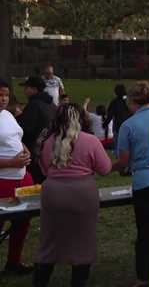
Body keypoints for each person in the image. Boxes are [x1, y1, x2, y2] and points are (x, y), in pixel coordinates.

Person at [34, 103, 112, 287]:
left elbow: (45, 170)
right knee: (83, 240)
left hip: (53, 193)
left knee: (49, 239)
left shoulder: (48, 142)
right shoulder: (90, 141)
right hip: (82, 194)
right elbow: (105, 169)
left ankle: (40, 280)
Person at [112, 81, 149, 287]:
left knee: (145, 233)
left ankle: (143, 276)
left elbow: (123, 161)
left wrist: (110, 167)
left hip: (143, 182)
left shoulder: (128, 125)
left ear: (131, 101)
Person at [0, 79, 34, 276]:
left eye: (5, 95)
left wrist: (26, 151)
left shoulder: (7, 115)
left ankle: (13, 262)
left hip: (22, 177)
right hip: (3, 180)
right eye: (0, 95)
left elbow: (17, 138)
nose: (3, 99)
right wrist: (11, 163)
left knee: (23, 221)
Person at [17, 76, 55, 184]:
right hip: (49, 149)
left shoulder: (34, 104)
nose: (24, 90)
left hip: (35, 151)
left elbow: (27, 129)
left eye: (26, 87)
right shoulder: (50, 104)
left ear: (34, 89)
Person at [103, 84, 131, 153]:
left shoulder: (114, 102)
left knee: (119, 149)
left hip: (119, 127)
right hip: (130, 127)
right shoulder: (129, 101)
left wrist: (104, 124)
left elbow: (110, 115)